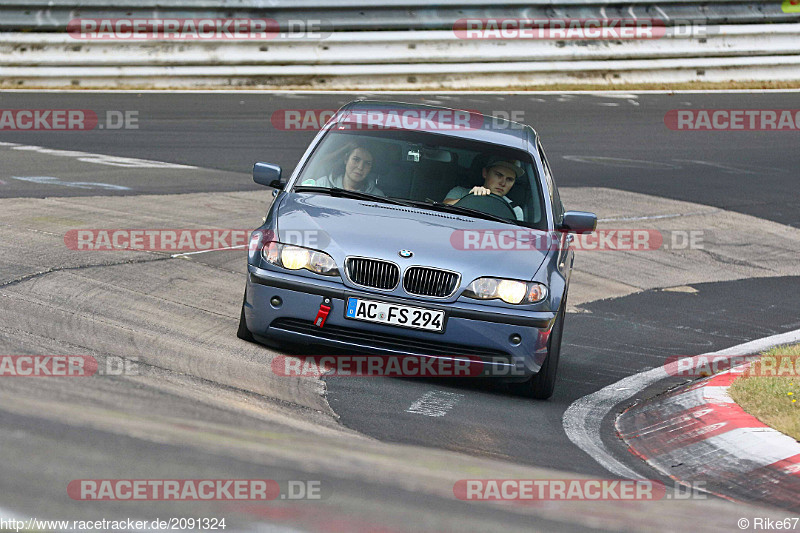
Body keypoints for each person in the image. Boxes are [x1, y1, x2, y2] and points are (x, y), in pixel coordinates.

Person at [444, 156, 524, 221]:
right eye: (499, 175)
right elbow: (442, 210)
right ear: (485, 173)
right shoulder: (460, 192)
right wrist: (472, 198)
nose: (503, 183)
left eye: (509, 179)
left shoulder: (515, 210)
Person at [302, 144, 385, 196]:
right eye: (356, 160)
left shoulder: (377, 196)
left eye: (367, 163)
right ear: (346, 159)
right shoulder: (322, 185)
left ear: (371, 168)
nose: (360, 167)